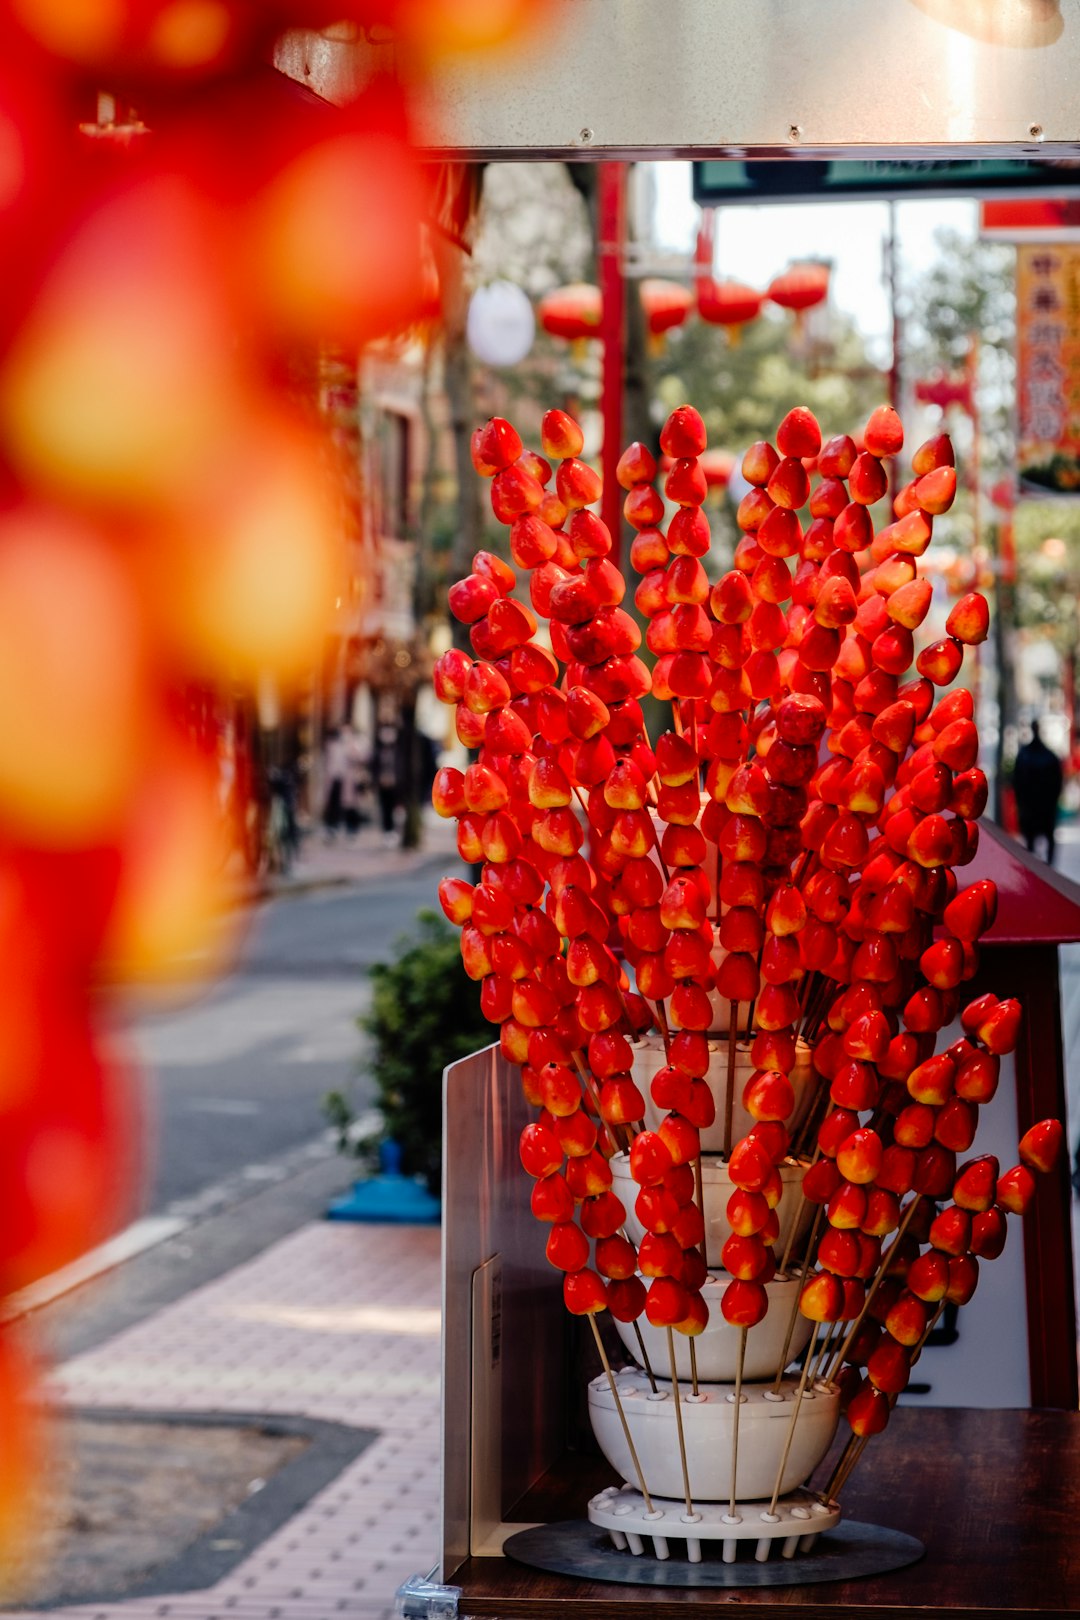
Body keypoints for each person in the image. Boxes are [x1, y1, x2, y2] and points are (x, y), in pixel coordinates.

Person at [1013, 719, 1064, 865]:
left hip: (1032, 807)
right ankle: (1047, 867)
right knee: (1046, 838)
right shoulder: (1048, 756)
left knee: (1032, 841)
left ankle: (1036, 867)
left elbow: (1017, 782)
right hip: (1044, 807)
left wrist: (1021, 803)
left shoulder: (1025, 756)